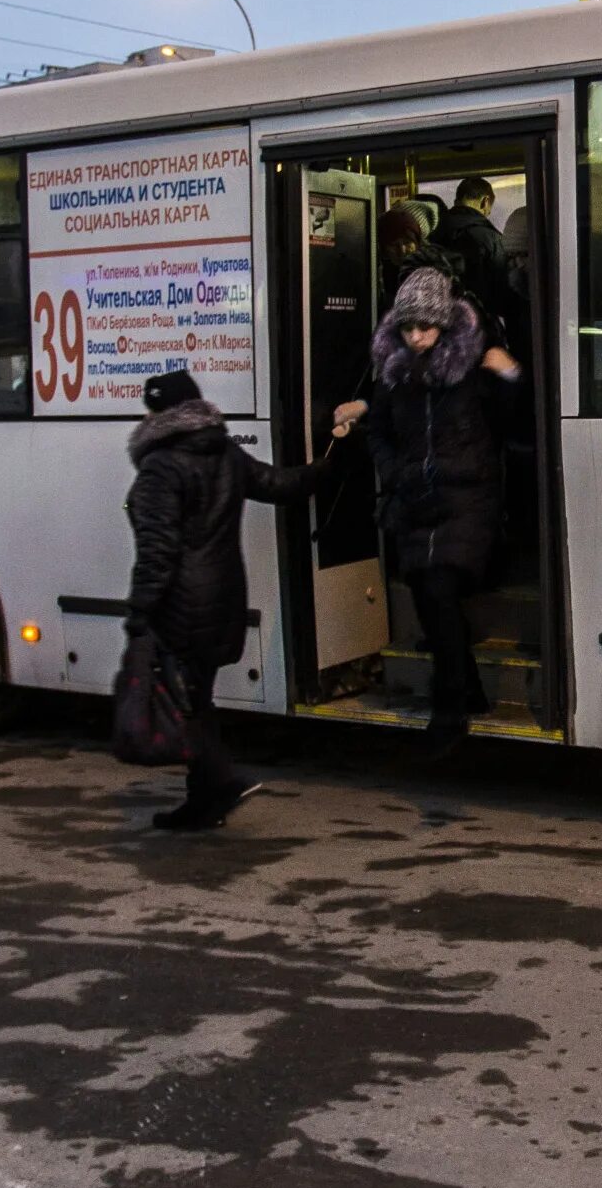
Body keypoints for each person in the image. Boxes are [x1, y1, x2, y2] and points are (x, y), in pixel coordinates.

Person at [125, 369, 362, 831]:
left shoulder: (160, 468)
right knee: (197, 697)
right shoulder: (224, 454)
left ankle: (224, 782)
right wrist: (333, 461)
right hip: (223, 597)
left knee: (186, 701)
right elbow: (282, 485)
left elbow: (156, 551)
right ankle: (203, 802)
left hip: (180, 604)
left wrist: (139, 612)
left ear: (158, 414)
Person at [362, 266, 523, 750]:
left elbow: (517, 418)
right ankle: (469, 690)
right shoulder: (394, 374)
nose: (417, 337)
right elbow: (379, 431)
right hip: (415, 498)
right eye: (409, 328)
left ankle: (449, 709)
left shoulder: (473, 368)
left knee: (438, 586)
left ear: (446, 325)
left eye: (426, 327)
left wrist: (510, 374)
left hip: (467, 496)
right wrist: (394, 472)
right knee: (426, 594)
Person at [432, 176, 515, 309]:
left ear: (456, 201)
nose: (487, 214)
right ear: (485, 202)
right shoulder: (491, 239)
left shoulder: (433, 235)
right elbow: (504, 291)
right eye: (489, 210)